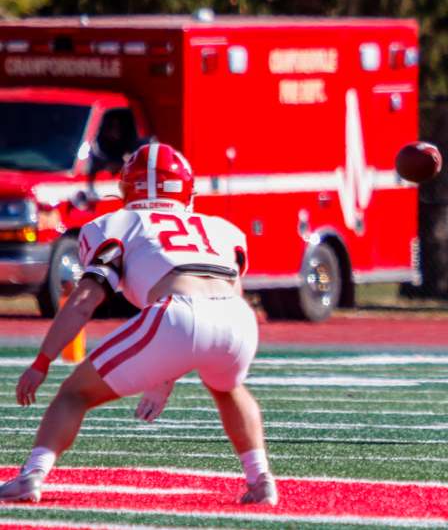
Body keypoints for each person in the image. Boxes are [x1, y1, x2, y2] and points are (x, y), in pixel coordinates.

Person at [0, 143, 278, 505]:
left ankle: (31, 476)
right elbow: (220, 305)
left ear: (126, 187)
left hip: (178, 312)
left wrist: (42, 361)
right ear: (185, 189)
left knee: (74, 394)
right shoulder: (221, 229)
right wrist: (164, 377)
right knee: (227, 388)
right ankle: (261, 480)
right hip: (238, 320)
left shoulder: (116, 224)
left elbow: (85, 301)